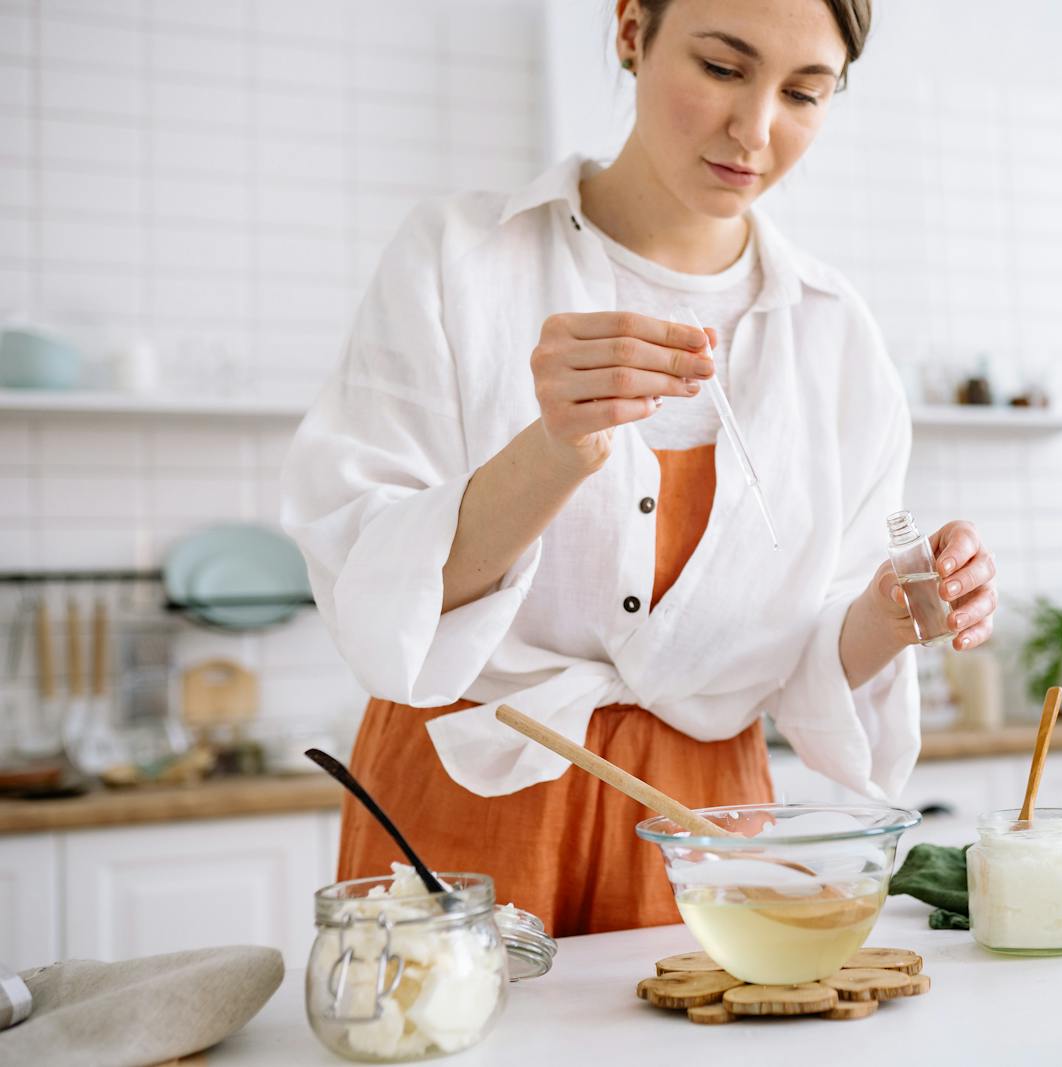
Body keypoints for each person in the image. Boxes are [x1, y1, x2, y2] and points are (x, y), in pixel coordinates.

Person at [281, 0, 998, 936]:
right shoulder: (459, 260)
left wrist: (897, 615)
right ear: (631, 30)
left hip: (704, 825)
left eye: (804, 93)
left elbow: (809, 657)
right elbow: (374, 591)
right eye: (723, 68)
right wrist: (551, 452)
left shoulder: (835, 334)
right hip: (465, 797)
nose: (757, 129)